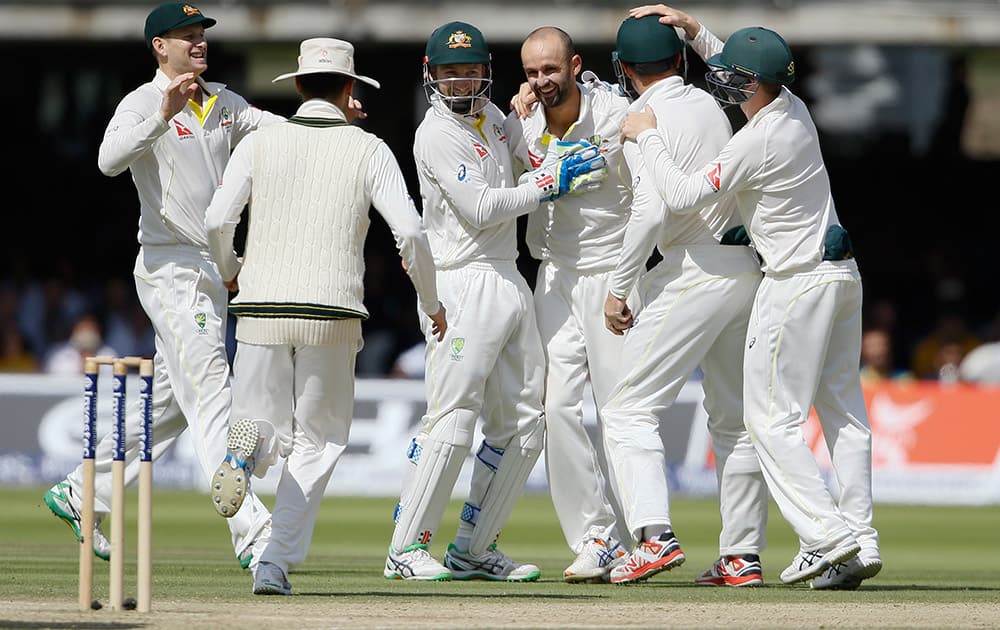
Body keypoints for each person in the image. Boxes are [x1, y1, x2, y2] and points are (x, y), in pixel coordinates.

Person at [622, 4, 881, 589]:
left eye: (733, 76)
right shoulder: (794, 109)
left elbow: (684, 195)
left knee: (769, 419)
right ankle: (861, 539)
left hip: (795, 286)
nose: (721, 80)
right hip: (842, 278)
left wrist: (650, 137)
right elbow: (740, 66)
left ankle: (825, 536)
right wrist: (694, 30)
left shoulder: (757, 141)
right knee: (845, 417)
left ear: (752, 83)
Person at [206, 37, 446, 595]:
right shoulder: (368, 148)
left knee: (261, 422)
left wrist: (231, 270)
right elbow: (409, 232)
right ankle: (274, 563)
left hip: (259, 306)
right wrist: (431, 303)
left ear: (295, 86)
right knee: (318, 442)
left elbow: (219, 219)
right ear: (349, 88)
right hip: (332, 311)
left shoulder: (260, 140)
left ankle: (250, 449)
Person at [44, 2, 277, 572]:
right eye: (186, 36)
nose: (198, 44)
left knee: (172, 405)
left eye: (201, 35)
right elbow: (107, 161)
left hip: (214, 268)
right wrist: (161, 114)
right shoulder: (142, 101)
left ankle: (83, 487)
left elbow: (281, 134)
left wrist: (332, 120)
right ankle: (254, 530)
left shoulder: (224, 101)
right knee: (212, 390)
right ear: (160, 47)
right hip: (171, 270)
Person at [383, 20, 606, 582]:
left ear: (486, 72)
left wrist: (526, 119)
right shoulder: (434, 132)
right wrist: (552, 182)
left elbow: (527, 160)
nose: (461, 82)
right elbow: (482, 207)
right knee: (453, 419)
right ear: (431, 76)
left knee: (527, 423)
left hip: (509, 276)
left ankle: (474, 548)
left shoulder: (492, 119)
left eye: (471, 70)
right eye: (450, 72)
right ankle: (406, 547)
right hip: (461, 279)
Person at [590, 15, 768, 586]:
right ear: (679, 60)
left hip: (695, 270)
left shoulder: (644, 117)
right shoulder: (711, 105)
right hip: (744, 269)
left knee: (625, 409)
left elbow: (649, 211)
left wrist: (620, 287)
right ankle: (741, 556)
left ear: (624, 68)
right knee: (735, 421)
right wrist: (695, 27)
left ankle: (654, 537)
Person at [505, 26, 634, 583]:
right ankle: (595, 538)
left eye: (551, 70)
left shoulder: (610, 111)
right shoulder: (523, 117)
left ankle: (635, 537)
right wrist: (514, 126)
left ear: (576, 65)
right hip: (553, 273)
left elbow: (574, 174)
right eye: (532, 72)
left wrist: (523, 135)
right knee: (555, 408)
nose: (541, 82)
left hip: (610, 273)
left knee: (617, 411)